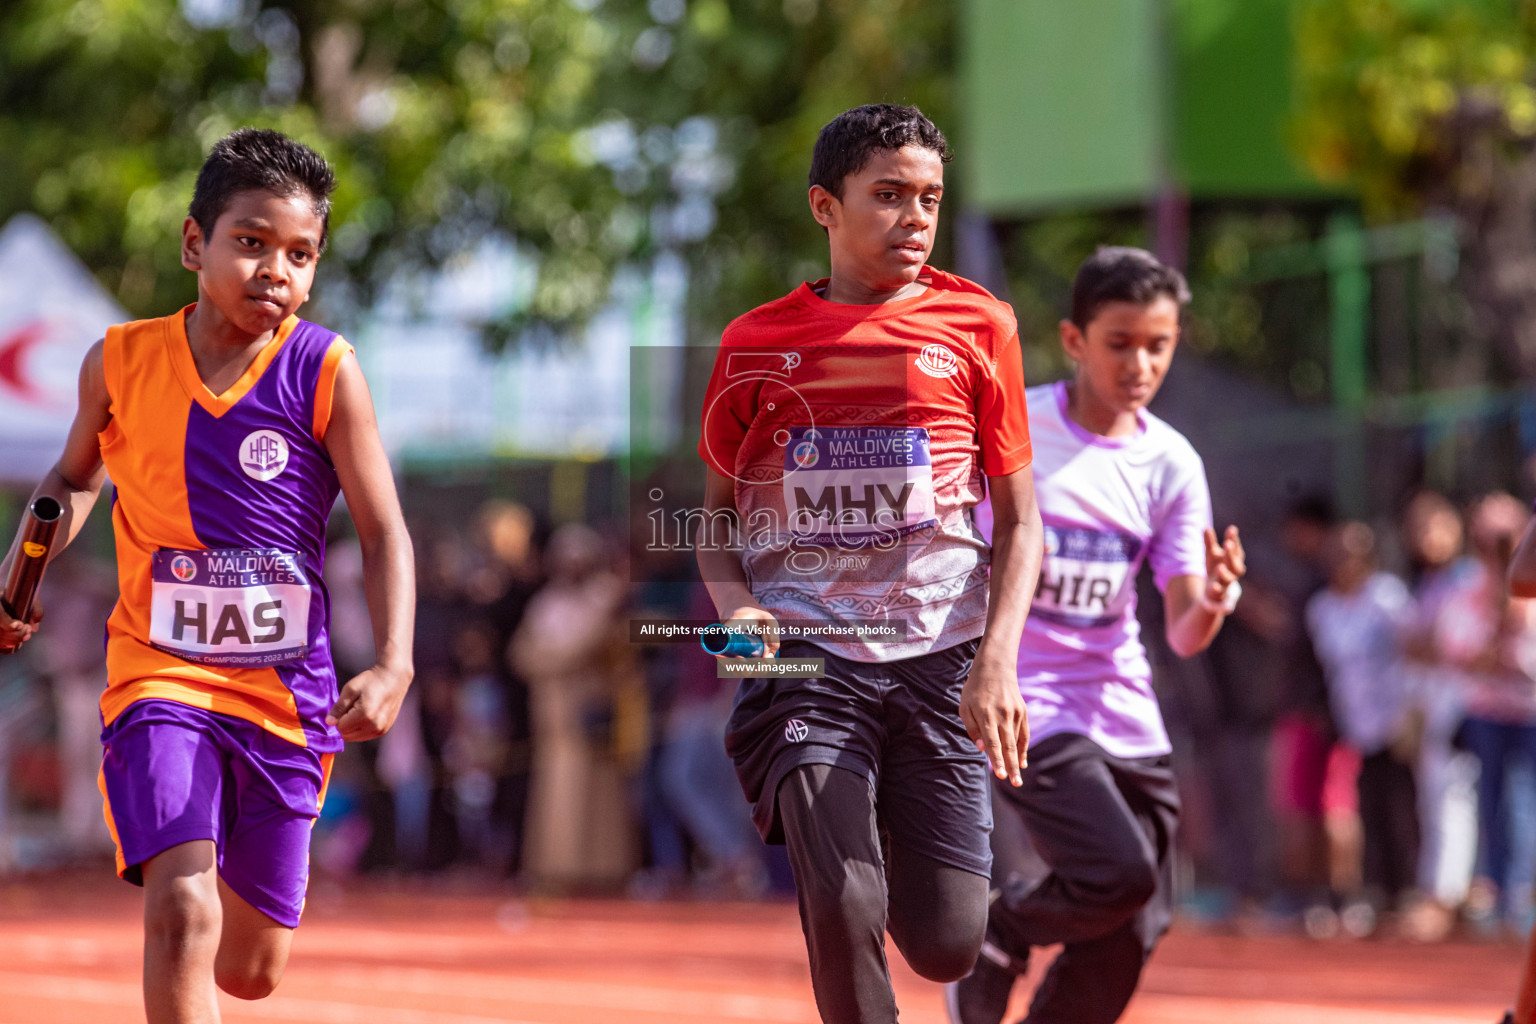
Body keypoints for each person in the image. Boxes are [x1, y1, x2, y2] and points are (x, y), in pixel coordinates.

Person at [0, 128, 416, 1023]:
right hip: (159, 674)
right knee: (181, 907)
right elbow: (71, 482)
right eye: (251, 242)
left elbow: (384, 532)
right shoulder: (118, 362)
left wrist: (394, 663)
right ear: (196, 245)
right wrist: (18, 579)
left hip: (284, 697)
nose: (276, 270)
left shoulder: (327, 371)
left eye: (300, 255)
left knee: (252, 972)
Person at [695, 104, 1042, 1024]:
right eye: (887, 196)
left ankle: (888, 804)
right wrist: (737, 607)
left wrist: (1000, 658)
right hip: (804, 659)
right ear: (825, 205)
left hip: (943, 658)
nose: (915, 217)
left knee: (947, 941)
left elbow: (1021, 521)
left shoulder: (980, 325)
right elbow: (714, 522)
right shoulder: (754, 344)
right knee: (846, 900)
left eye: (929, 196)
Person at [949, 246, 1245, 1024]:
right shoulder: (1015, 429)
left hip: (1122, 706)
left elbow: (1183, 632)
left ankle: (1006, 953)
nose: (1141, 363)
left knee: (1135, 923)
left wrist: (1214, 598)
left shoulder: (1171, 463)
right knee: (1119, 874)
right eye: (1120, 343)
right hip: (1025, 698)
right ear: (1075, 340)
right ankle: (998, 934)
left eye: (1159, 344)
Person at [1306, 522, 1416, 930]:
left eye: (1350, 555)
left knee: (1400, 809)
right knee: (1362, 810)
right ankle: (1369, 892)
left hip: (1395, 722)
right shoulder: (1322, 608)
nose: (1342, 563)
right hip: (1354, 726)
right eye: (1335, 555)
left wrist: (1411, 715)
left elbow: (1412, 655)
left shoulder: (1388, 598)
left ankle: (1403, 892)